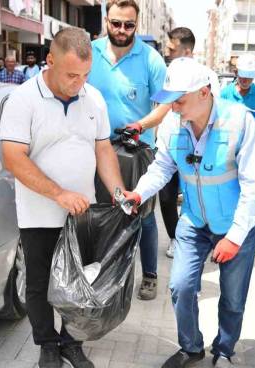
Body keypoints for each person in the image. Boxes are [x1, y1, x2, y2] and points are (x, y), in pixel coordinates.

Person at [123, 58, 255, 368]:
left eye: (180, 99)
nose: (172, 107)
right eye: (170, 100)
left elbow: (254, 189)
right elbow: (161, 168)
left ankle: (224, 350)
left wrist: (234, 237)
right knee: (181, 286)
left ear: (204, 92)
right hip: (195, 222)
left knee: (232, 296)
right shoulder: (173, 126)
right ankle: (191, 347)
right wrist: (138, 194)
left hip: (235, 226)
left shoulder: (240, 123)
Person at [0, 28, 125, 368]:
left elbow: (103, 149)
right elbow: (13, 157)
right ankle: (47, 345)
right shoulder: (23, 100)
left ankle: (72, 342)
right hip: (39, 213)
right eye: (71, 75)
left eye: (85, 75)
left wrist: (117, 193)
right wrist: (58, 194)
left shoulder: (93, 99)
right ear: (50, 60)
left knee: (81, 281)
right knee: (39, 283)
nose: (78, 83)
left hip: (81, 214)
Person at [87, 0, 169, 300]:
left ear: (137, 24)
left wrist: (142, 125)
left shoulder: (151, 59)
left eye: (129, 25)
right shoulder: (90, 52)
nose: (122, 30)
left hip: (137, 152)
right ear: (106, 20)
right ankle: (104, 272)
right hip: (96, 150)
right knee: (101, 212)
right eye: (116, 23)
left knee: (142, 214)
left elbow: (166, 106)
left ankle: (149, 275)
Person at [160, 26, 220, 259]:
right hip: (173, 143)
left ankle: (209, 238)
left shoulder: (207, 77)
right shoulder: (170, 74)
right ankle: (177, 238)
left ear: (186, 51)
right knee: (166, 195)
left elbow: (215, 117)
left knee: (199, 195)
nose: (167, 52)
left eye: (171, 49)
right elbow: (165, 110)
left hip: (198, 150)